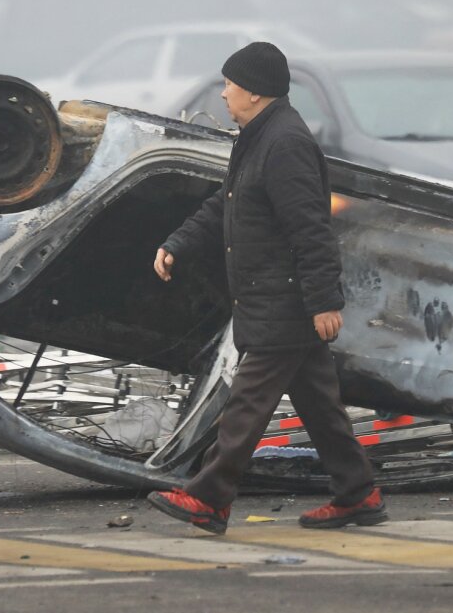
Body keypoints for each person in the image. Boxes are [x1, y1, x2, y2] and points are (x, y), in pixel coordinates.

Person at [147, 41, 385, 535]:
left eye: (230, 85)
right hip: (273, 297)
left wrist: (324, 301)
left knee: (246, 406)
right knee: (320, 406)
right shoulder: (257, 137)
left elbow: (311, 227)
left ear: (254, 93)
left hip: (287, 300)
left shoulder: (284, 144)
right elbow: (225, 205)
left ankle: (209, 498)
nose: (225, 95)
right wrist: (178, 243)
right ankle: (359, 494)